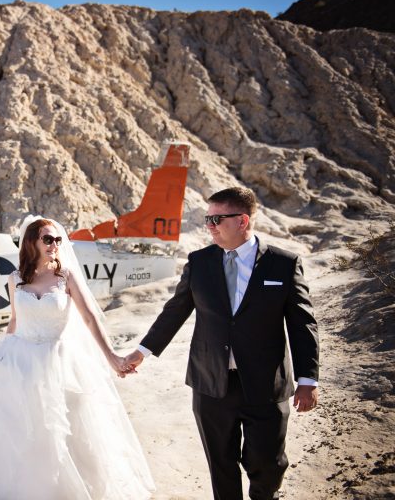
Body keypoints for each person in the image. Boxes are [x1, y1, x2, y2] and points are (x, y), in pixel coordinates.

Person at [122, 187, 319, 500]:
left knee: (268, 464)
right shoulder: (199, 262)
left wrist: (308, 380)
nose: (209, 225)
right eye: (207, 219)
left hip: (266, 384)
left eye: (217, 218)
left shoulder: (283, 263)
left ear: (242, 221)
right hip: (211, 383)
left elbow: (302, 324)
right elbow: (174, 311)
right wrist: (141, 352)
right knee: (221, 466)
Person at [0, 216, 155, 500]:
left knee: (69, 432)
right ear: (32, 242)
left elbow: (90, 319)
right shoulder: (15, 279)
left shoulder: (65, 276)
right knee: (29, 433)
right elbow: (16, 320)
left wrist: (112, 358)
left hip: (60, 363)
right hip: (23, 363)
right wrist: (1, 352)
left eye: (57, 239)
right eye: (48, 239)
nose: (55, 244)